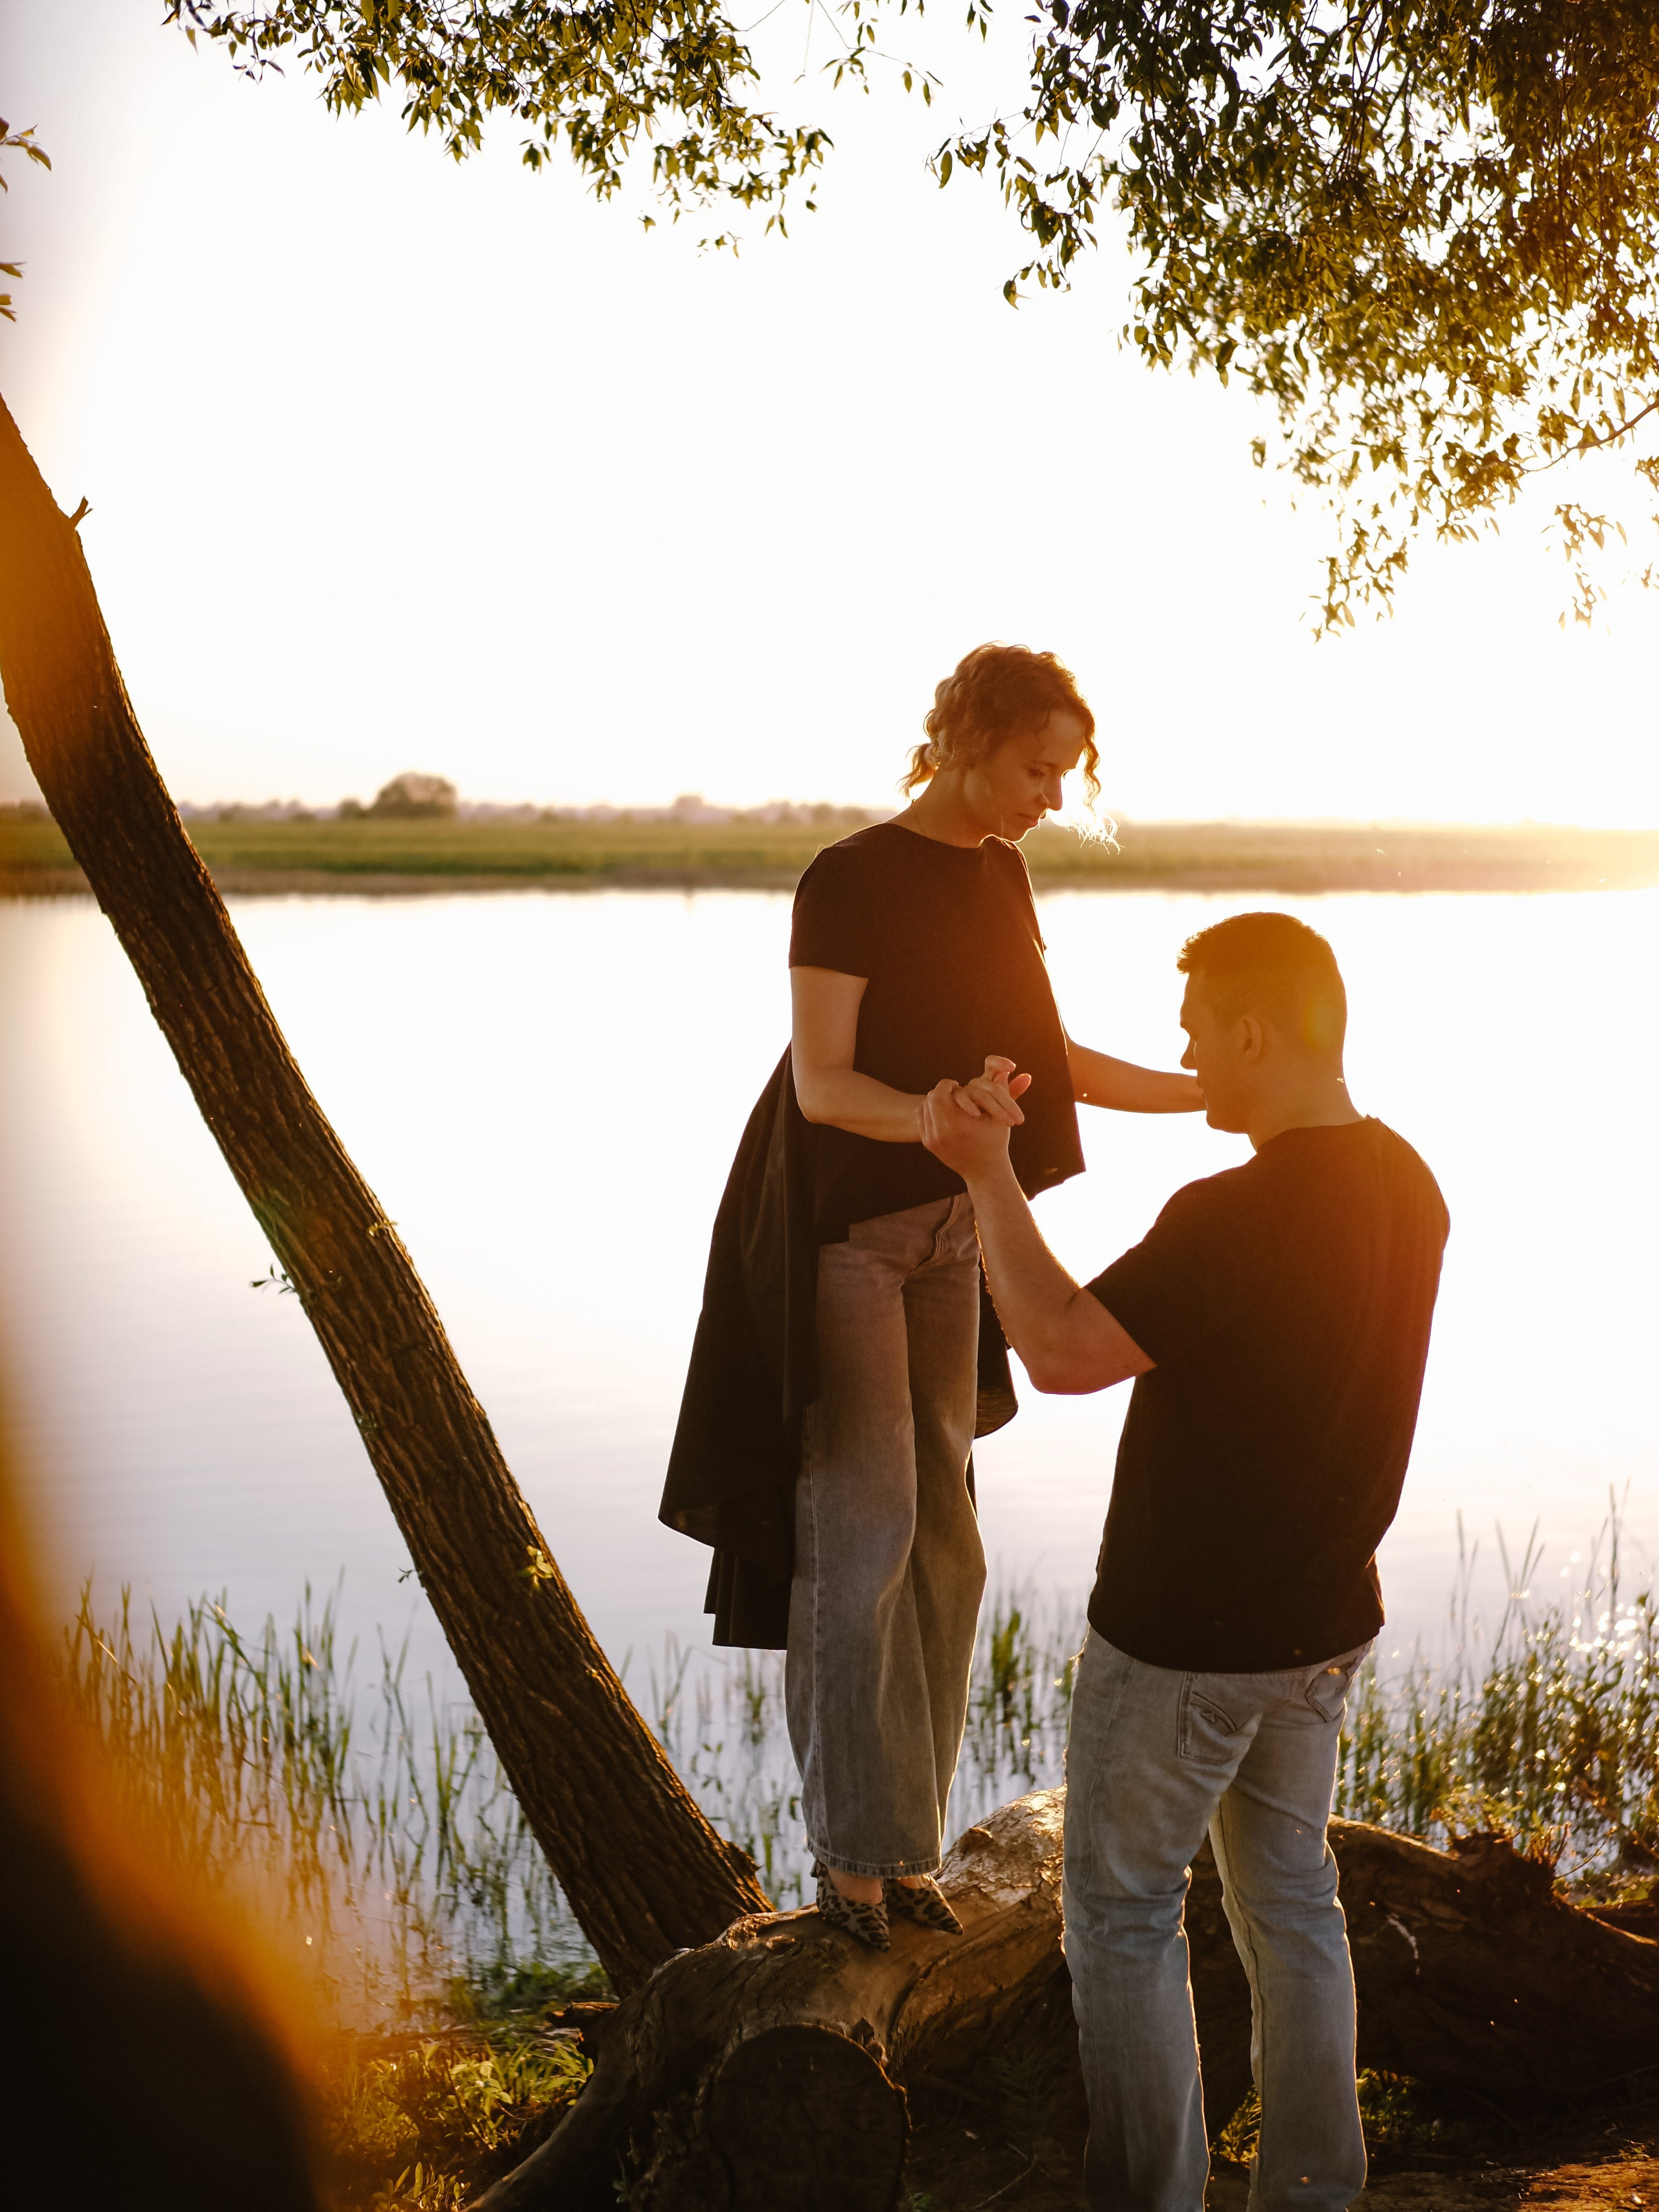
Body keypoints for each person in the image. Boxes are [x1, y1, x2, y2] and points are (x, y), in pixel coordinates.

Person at [662, 642, 1201, 1955]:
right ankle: (851, 1873)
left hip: (956, 1233)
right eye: (1033, 768)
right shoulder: (845, 879)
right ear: (963, 737)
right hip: (844, 1237)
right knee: (862, 1533)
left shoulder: (1001, 874)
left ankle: (904, 1852)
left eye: (1062, 774)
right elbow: (821, 1084)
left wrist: (1209, 1097)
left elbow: (1052, 1054)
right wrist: (938, 1121)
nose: (1048, 797)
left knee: (944, 1546)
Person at [919, 910, 1450, 2212]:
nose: (1184, 1056)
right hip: (1318, 1625)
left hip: (1180, 1644)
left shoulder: (1233, 1211)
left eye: (1198, 1031)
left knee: (1118, 1917)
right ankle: (1311, 2196)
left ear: (1255, 1032)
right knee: (1290, 1906)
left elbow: (1060, 1351)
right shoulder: (1407, 1181)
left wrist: (988, 1174)